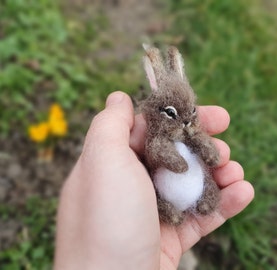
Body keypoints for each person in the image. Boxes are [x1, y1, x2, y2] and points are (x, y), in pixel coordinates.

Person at [53, 91, 254, 270]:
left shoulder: (190, 134)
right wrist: (175, 162)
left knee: (209, 180)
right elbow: (159, 152)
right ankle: (170, 212)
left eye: (191, 113)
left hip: (196, 185)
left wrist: (208, 151)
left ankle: (206, 200)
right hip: (165, 191)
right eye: (172, 114)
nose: (184, 122)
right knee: (159, 198)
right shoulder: (156, 140)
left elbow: (207, 149)